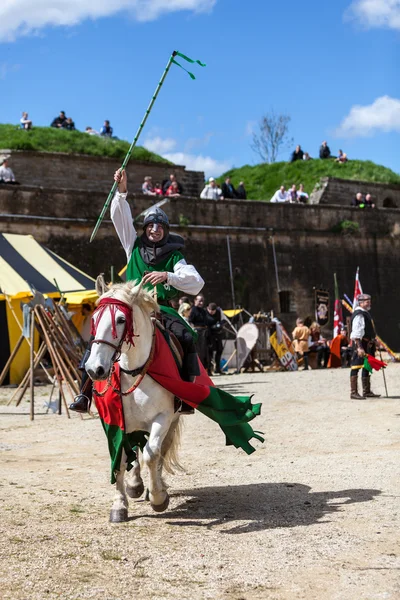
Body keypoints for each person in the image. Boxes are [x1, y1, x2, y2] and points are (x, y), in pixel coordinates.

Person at [69, 169, 204, 413]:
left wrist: (168, 276)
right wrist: (122, 191)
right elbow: (121, 219)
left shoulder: (175, 256)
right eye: (151, 226)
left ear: (166, 230)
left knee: (185, 336)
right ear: (145, 228)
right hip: (129, 306)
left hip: (160, 309)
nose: (155, 230)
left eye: (160, 227)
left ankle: (184, 396)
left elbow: (196, 282)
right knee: (100, 335)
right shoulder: (134, 244)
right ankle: (85, 393)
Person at [349, 293, 380, 399]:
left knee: (367, 365)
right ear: (361, 303)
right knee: (356, 366)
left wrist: (374, 340)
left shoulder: (365, 313)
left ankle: (366, 391)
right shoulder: (359, 314)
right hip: (361, 344)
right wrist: (359, 347)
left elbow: (368, 330)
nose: (369, 303)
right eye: (367, 301)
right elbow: (356, 332)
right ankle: (353, 392)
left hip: (368, 344)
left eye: (369, 301)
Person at [189, 295, 209, 371]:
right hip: (196, 332)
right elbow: (190, 321)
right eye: (199, 301)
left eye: (202, 301)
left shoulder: (203, 311)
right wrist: (194, 330)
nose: (201, 302)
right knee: (197, 351)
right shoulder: (193, 310)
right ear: (195, 301)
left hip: (204, 333)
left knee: (204, 351)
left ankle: (205, 369)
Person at [206, 302, 224, 375]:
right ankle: (209, 370)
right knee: (210, 353)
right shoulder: (205, 313)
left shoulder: (219, 312)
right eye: (210, 310)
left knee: (219, 350)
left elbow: (222, 321)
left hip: (217, 334)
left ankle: (218, 368)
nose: (211, 312)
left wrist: (219, 325)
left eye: (213, 310)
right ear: (208, 309)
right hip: (209, 335)